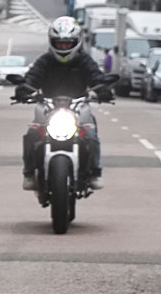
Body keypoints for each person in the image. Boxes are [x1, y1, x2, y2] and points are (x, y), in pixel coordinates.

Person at [16, 16, 112, 191]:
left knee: (90, 134)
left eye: (67, 43)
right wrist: (24, 88)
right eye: (59, 43)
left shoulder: (84, 60)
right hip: (48, 107)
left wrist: (103, 88)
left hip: (78, 106)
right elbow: (33, 76)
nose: (63, 47)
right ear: (52, 42)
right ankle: (29, 174)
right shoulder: (45, 61)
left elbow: (96, 76)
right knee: (31, 134)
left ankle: (95, 173)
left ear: (76, 42)